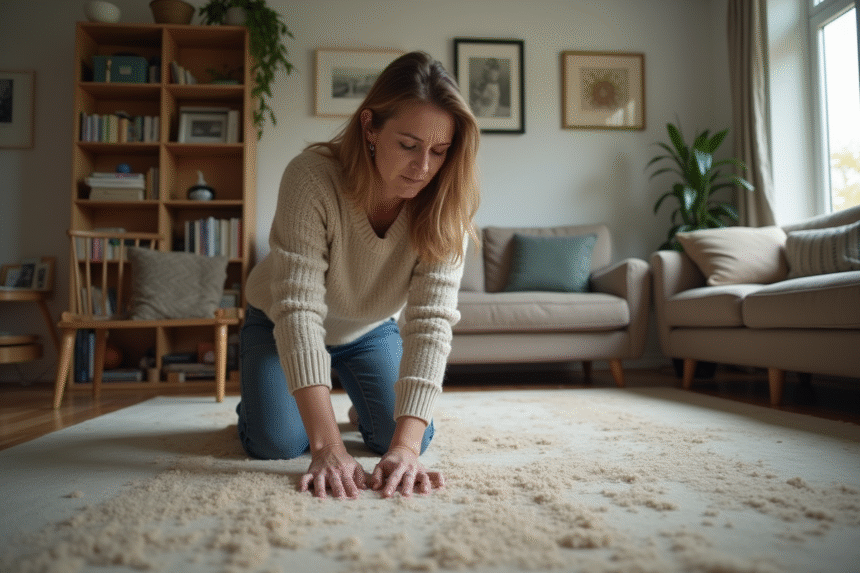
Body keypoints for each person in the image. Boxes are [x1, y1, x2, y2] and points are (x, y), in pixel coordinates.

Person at [237, 51, 481, 500]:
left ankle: (352, 406)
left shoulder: (447, 203)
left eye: (439, 151)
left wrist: (405, 447)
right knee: (279, 443)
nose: (423, 167)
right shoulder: (312, 178)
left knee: (414, 438)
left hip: (367, 330)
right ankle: (262, 392)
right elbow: (298, 311)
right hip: (278, 326)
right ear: (370, 127)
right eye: (408, 145)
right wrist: (327, 446)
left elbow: (430, 323)